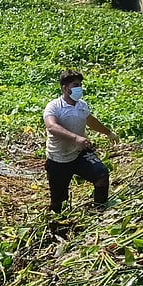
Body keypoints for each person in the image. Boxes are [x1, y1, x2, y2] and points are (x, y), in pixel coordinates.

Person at [43, 70, 119, 212]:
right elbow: (52, 127)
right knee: (58, 203)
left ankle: (100, 211)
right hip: (58, 159)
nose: (79, 88)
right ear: (65, 88)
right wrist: (75, 138)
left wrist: (108, 133)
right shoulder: (54, 106)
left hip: (79, 154)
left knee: (102, 175)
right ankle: (57, 226)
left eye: (80, 85)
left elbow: (90, 121)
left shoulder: (82, 105)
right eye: (75, 85)